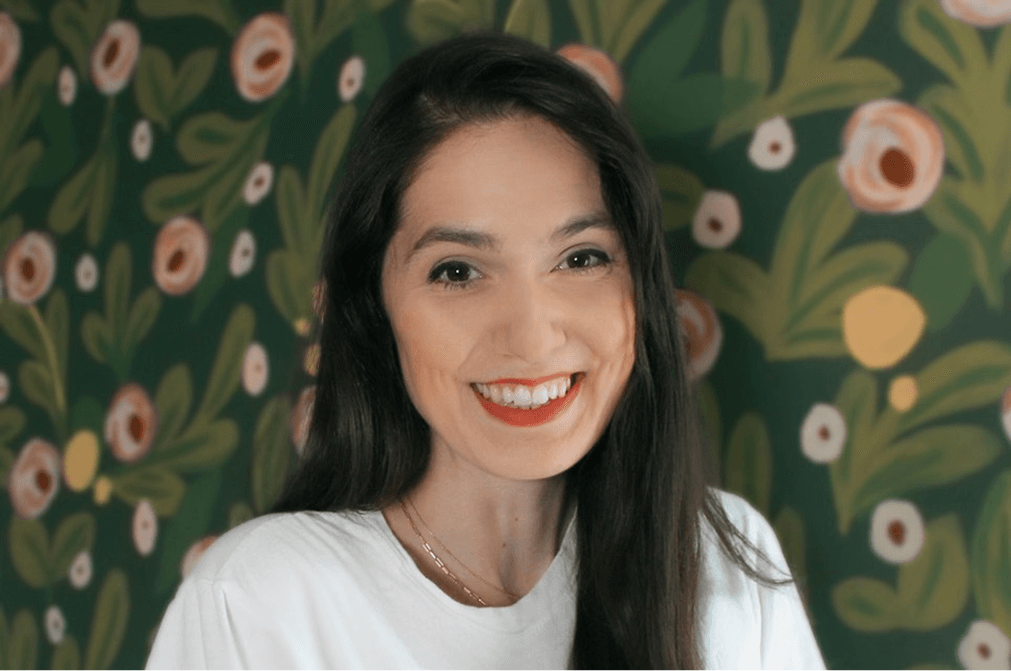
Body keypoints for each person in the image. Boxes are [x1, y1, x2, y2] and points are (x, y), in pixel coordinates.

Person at [145, 31, 827, 671]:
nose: (531, 336)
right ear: (373, 309)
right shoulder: (261, 602)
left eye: (581, 257)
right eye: (457, 271)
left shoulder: (727, 561)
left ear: (640, 289)